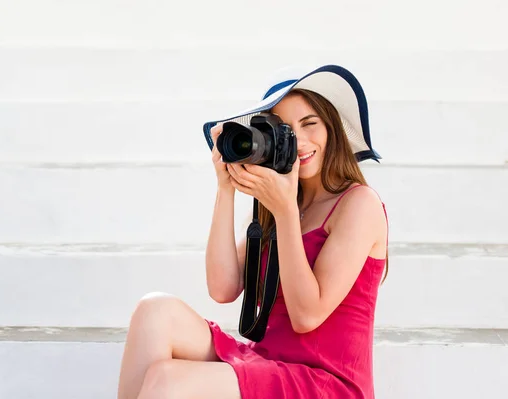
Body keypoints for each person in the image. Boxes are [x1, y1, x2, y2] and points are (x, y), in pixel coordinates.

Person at [117, 65, 389, 399]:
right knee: (154, 311)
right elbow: (222, 288)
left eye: (309, 124)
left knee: (168, 380)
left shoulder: (359, 204)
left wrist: (286, 210)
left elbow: (307, 316)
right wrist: (226, 188)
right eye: (285, 131)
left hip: (327, 382)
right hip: (268, 362)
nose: (300, 142)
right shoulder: (275, 208)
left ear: (331, 128)